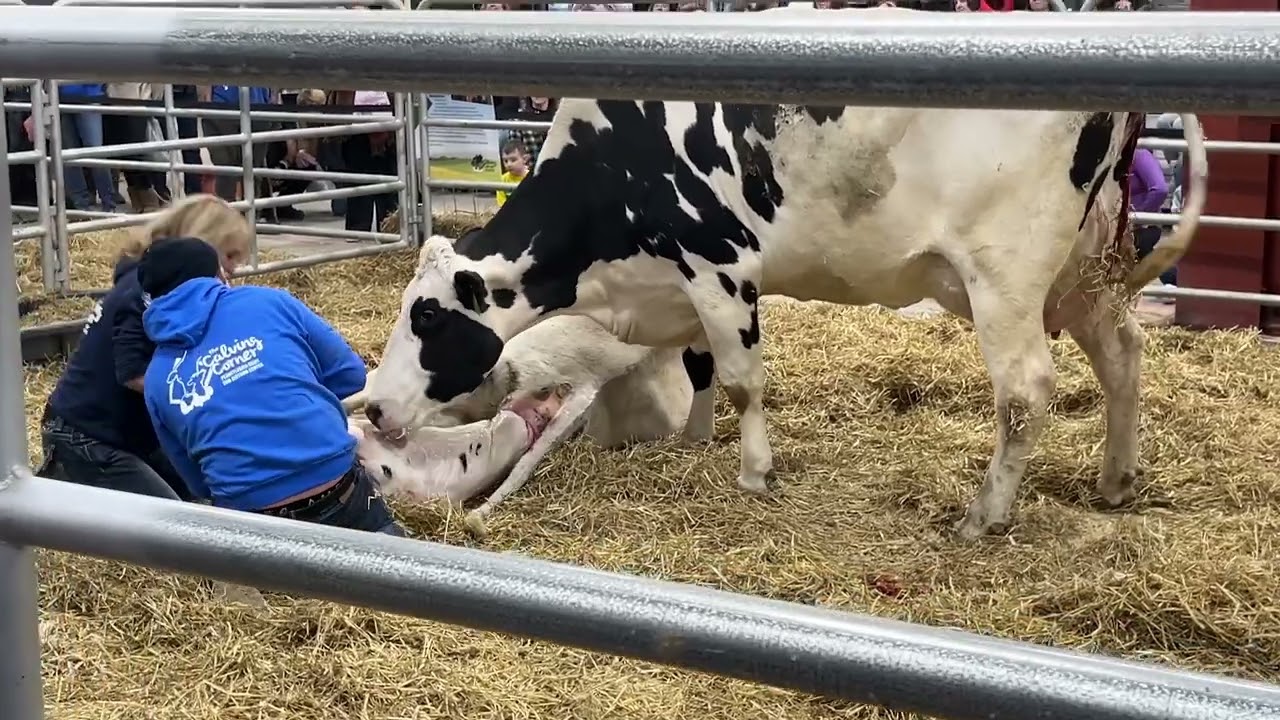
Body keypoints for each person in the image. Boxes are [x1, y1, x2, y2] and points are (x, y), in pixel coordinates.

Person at [136, 237, 408, 535]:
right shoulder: (268, 302)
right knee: (391, 555)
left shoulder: (157, 378)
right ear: (217, 274)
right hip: (336, 484)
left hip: (252, 518)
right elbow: (351, 375)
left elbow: (196, 481)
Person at [35, 194, 253, 499]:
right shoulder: (143, 293)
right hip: (87, 437)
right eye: (228, 257)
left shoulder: (155, 286)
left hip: (126, 435)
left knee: (204, 500)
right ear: (204, 246)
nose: (234, 270)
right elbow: (132, 372)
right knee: (176, 527)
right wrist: (204, 396)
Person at [496, 139, 531, 207]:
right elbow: (502, 204)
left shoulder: (531, 178)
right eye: (505, 161)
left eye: (513, 160)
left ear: (525, 159)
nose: (508, 164)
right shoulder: (502, 180)